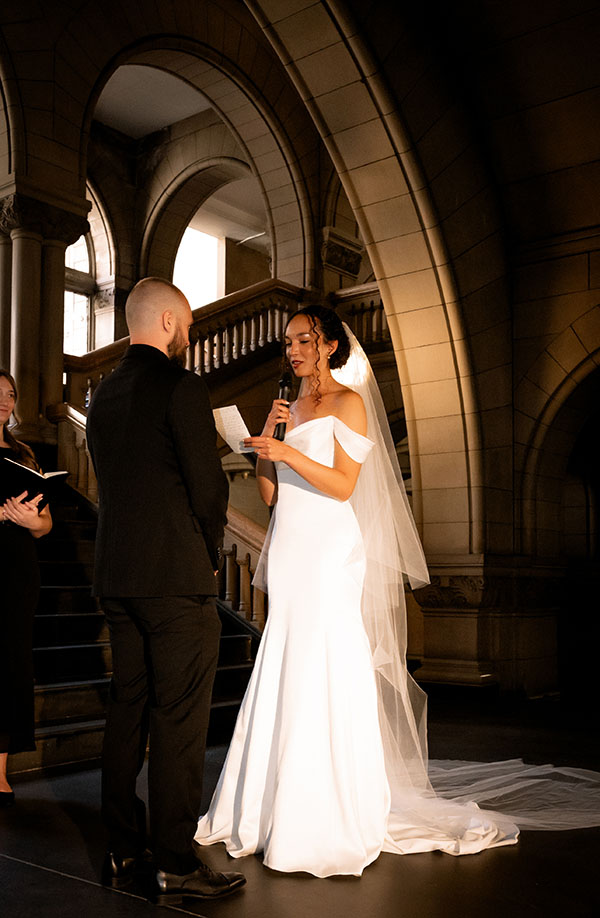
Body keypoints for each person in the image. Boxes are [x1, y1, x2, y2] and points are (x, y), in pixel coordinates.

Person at [195, 306, 600, 877]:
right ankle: (265, 805)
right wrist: (268, 441)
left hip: (331, 548)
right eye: (288, 342)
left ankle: (326, 812)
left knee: (326, 663)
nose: (293, 350)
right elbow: (269, 496)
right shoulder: (287, 408)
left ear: (331, 345)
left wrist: (288, 452)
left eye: (304, 339)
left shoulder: (349, 403)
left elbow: (342, 486)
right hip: (289, 547)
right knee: (286, 659)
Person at [86, 277, 245, 904]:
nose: (189, 336)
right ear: (172, 324)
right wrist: (206, 553)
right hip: (174, 578)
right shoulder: (181, 385)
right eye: (188, 326)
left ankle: (123, 848)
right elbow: (208, 489)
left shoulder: (102, 395)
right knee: (178, 720)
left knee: (127, 711)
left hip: (117, 576)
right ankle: (175, 860)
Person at [0, 370, 52, 808]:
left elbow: (45, 523)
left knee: (12, 668)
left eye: (11, 394)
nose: (5, 401)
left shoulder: (24, 455)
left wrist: (31, 521)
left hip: (18, 574)